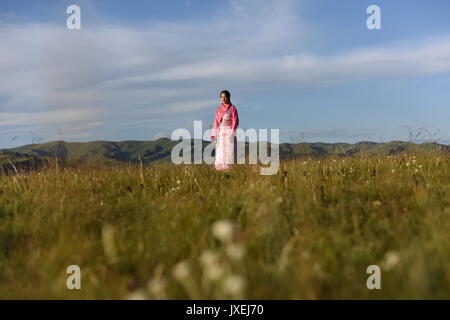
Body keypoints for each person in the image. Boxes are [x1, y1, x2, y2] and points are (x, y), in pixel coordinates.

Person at [211, 90, 239, 171]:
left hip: (229, 132)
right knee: (220, 150)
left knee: (229, 150)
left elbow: (235, 121)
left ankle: (229, 168)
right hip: (220, 133)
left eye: (225, 97)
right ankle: (220, 168)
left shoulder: (232, 108)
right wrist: (214, 134)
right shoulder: (218, 109)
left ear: (228, 97)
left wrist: (232, 132)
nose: (223, 99)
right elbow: (216, 121)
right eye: (221, 97)